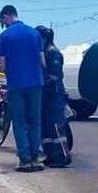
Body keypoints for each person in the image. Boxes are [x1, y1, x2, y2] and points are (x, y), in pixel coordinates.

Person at [0, 5, 46, 172]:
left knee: (19, 123)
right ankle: (35, 159)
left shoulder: (4, 36)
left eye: (3, 21)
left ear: (6, 16)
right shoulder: (34, 33)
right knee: (35, 122)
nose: (4, 24)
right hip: (36, 84)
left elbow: (2, 67)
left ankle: (24, 160)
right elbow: (43, 62)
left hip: (16, 84)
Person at [36, 26, 72, 168]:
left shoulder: (53, 54)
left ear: (44, 39)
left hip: (55, 95)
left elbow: (54, 76)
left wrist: (38, 82)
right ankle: (51, 155)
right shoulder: (45, 53)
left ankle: (64, 155)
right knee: (46, 126)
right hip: (46, 95)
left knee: (57, 126)